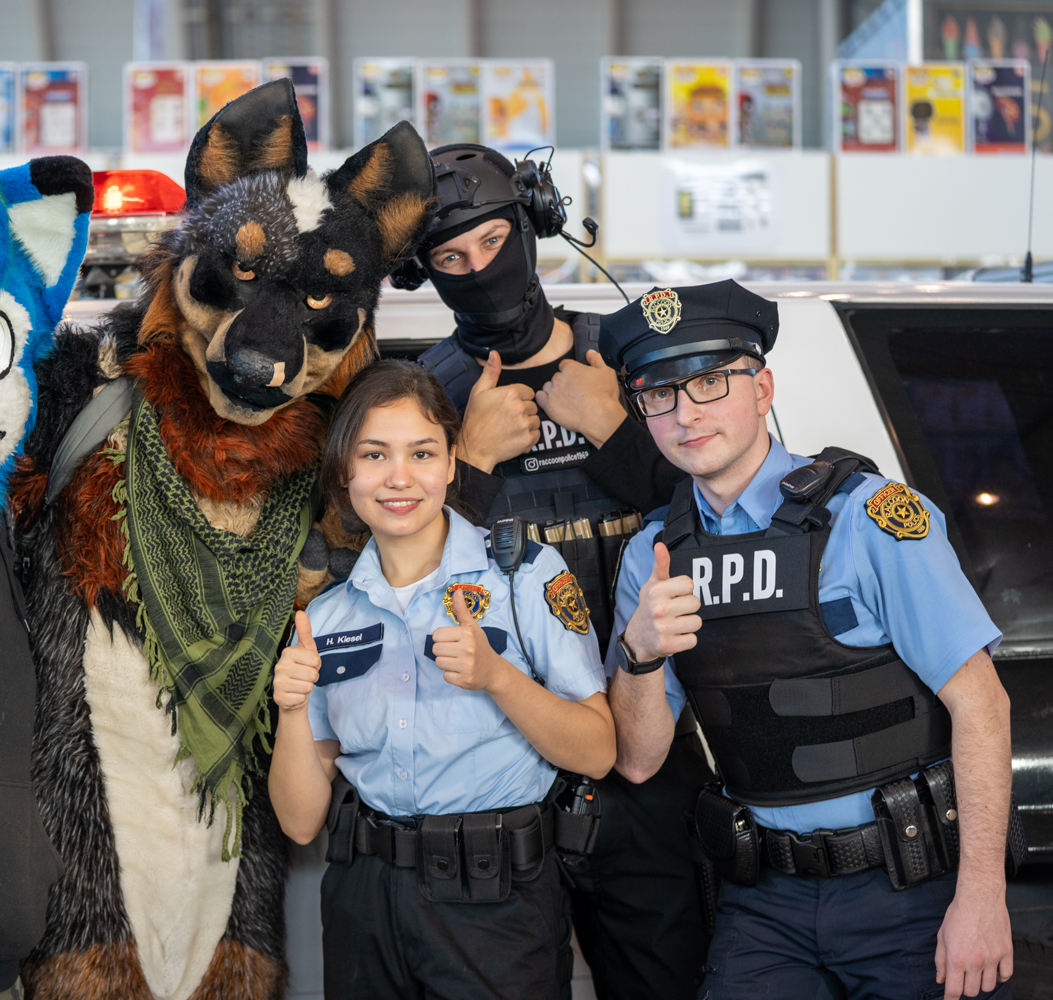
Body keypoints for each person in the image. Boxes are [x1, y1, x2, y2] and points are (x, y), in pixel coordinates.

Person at [605, 279, 1016, 1000]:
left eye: (709, 382)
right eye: (659, 393)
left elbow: (982, 704)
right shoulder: (654, 554)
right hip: (765, 900)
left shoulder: (869, 518)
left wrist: (982, 895)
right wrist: (640, 655)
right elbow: (638, 760)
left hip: (911, 886)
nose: (686, 413)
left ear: (762, 388)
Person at [412, 143, 713, 999]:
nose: (479, 271)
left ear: (533, 228)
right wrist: (470, 464)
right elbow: (400, 585)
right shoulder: (421, 397)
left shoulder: (630, 358)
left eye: (493, 241)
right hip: (501, 767)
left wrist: (616, 431)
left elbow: (726, 518)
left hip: (650, 752)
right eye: (450, 259)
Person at [267, 359, 615, 1000]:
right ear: (345, 472)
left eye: (422, 453)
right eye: (374, 454)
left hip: (495, 901)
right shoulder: (326, 616)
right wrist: (290, 711)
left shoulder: (524, 576)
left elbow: (597, 751)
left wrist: (498, 678)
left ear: (453, 463)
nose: (399, 477)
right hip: (364, 902)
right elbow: (299, 822)